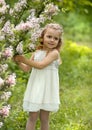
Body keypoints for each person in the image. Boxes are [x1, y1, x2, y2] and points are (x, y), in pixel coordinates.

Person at [14, 23, 63, 130]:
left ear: (59, 41)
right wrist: (18, 62)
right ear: (42, 37)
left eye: (56, 38)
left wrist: (24, 59)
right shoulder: (37, 52)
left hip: (48, 89)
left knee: (44, 118)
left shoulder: (54, 53)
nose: (52, 40)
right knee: (32, 116)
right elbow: (27, 68)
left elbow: (40, 65)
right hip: (36, 87)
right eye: (49, 36)